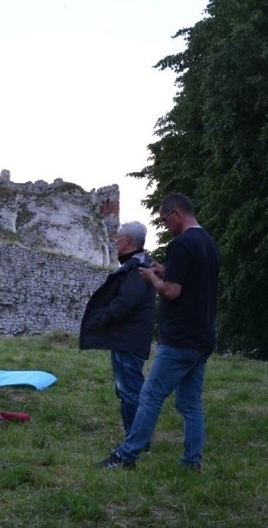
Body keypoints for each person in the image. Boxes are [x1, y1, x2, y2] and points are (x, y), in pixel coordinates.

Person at [96, 193, 220, 471]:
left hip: (180, 338)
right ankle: (191, 462)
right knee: (190, 404)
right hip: (203, 337)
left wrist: (153, 278)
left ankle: (126, 455)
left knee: (150, 395)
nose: (165, 226)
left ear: (176, 213)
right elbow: (191, 280)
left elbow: (173, 291)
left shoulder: (182, 243)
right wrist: (166, 270)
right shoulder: (208, 243)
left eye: (165, 220)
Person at [80, 221, 156, 438]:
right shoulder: (136, 265)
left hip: (129, 340)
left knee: (130, 391)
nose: (115, 240)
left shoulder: (138, 268)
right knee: (126, 390)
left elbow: (126, 302)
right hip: (127, 339)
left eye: (119, 237)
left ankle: (136, 440)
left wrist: (102, 318)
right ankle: (134, 437)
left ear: (129, 241)